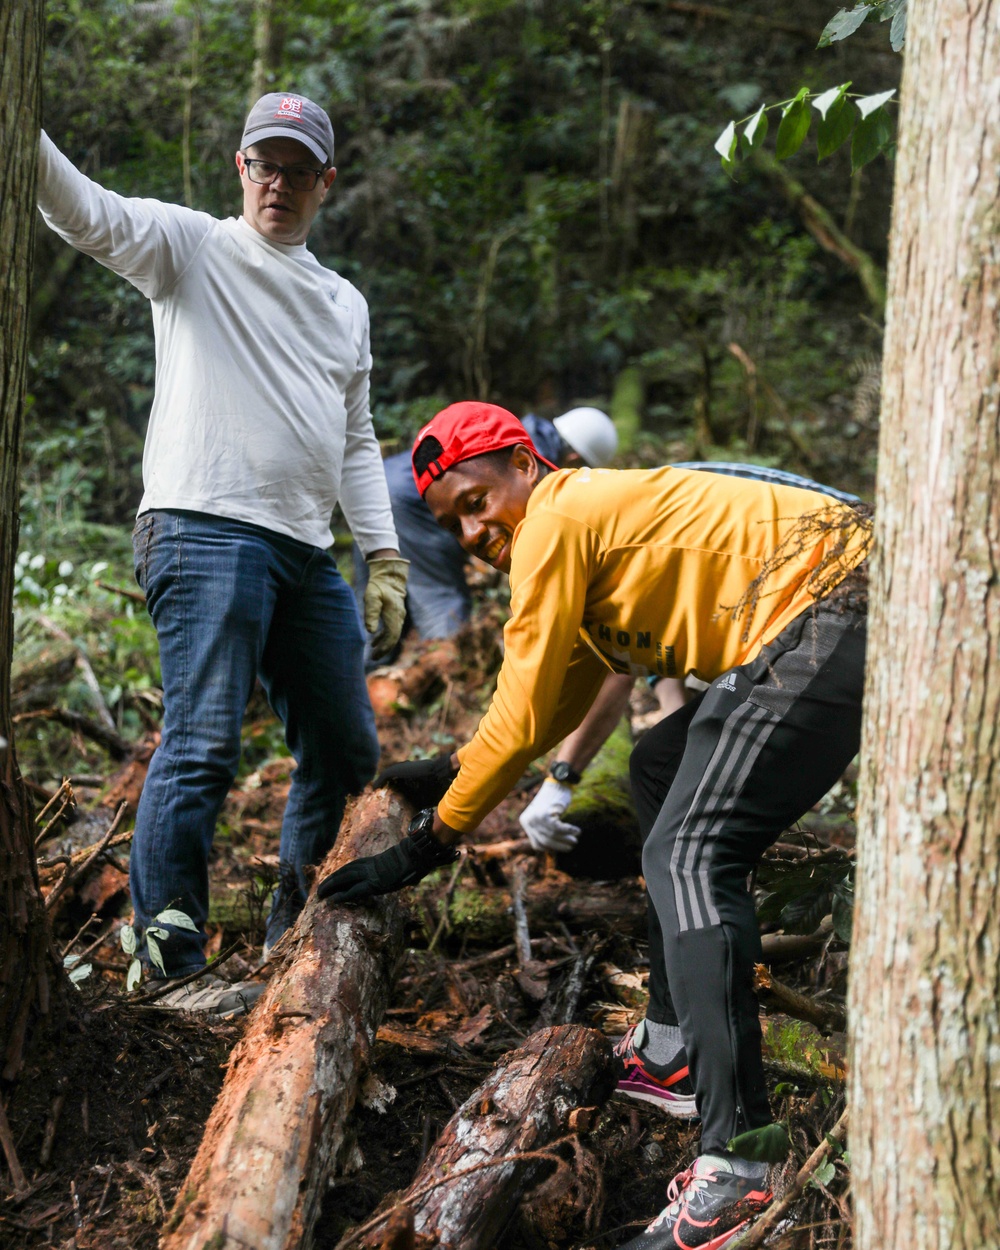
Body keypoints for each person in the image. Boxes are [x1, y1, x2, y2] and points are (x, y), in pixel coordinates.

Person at [317, 402, 869, 1249]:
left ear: (524, 466)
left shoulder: (560, 515)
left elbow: (530, 696)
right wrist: (459, 770)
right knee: (656, 768)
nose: (471, 532)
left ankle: (741, 1168)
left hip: (835, 600)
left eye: (475, 502)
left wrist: (430, 843)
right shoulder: (574, 532)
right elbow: (552, 695)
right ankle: (678, 1044)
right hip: (807, 618)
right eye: (449, 524)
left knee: (689, 850)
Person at [36, 93, 408, 1012]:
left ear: (327, 182)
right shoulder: (194, 249)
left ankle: (295, 933)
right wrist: (20, 122)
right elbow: (82, 211)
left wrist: (385, 554)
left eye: (295, 169)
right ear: (240, 169)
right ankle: (168, 972)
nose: (276, 183)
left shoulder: (342, 302)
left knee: (344, 744)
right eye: (261, 165)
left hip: (303, 553)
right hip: (202, 526)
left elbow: (358, 439)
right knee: (201, 746)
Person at [519, 463, 860, 853]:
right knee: (658, 765)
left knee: (677, 800)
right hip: (791, 609)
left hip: (830, 594)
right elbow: (644, 658)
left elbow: (613, 668)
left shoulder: (623, 519)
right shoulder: (618, 515)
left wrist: (561, 779)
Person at [352, 407, 617, 651]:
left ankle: (359, 684)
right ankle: (451, 679)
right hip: (403, 502)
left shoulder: (511, 430)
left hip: (371, 489)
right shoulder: (533, 457)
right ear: (574, 458)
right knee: (441, 602)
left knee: (376, 608)